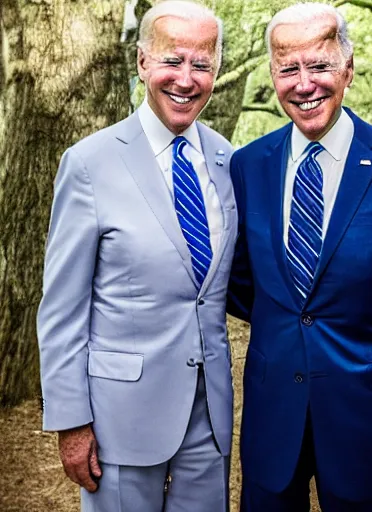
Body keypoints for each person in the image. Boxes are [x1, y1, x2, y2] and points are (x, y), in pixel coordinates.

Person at [228, 3, 372, 511]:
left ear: (348, 70)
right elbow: (247, 285)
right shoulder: (247, 166)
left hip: (368, 418)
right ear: (273, 74)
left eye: (320, 65)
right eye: (289, 68)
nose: (304, 83)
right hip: (272, 416)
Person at [37, 2, 237, 511]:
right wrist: (71, 421)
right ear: (143, 62)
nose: (186, 80)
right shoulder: (88, 163)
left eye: (202, 64)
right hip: (118, 417)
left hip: (208, 416)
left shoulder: (228, 160)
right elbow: (62, 309)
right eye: (173, 60)